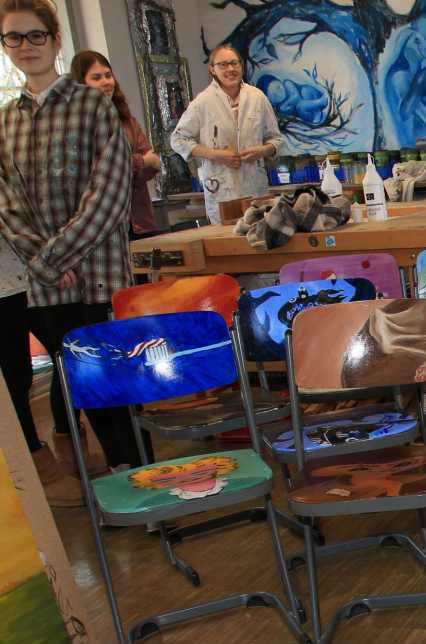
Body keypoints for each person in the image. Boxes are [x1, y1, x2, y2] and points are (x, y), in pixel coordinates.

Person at [0, 0, 144, 503]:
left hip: (97, 275)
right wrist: (45, 264)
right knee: (79, 388)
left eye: (35, 35)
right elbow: (7, 205)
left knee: (117, 388)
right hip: (46, 288)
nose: (26, 47)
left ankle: (148, 488)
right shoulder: (6, 122)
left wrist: (53, 258)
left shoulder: (93, 106)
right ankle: (118, 491)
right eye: (14, 38)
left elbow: (108, 194)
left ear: (56, 40)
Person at [170, 43, 283, 225]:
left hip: (255, 187)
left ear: (241, 66)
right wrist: (215, 155)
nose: (230, 69)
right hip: (221, 190)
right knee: (226, 236)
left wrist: (262, 150)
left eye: (234, 63)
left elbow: (276, 139)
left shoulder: (257, 98)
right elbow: (178, 139)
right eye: (223, 65)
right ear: (212, 69)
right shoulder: (203, 102)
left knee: (260, 233)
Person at [70, 50, 161, 239]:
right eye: (96, 78)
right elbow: (100, 171)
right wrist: (141, 162)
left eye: (108, 75)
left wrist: (134, 166)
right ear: (81, 84)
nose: (106, 82)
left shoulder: (127, 120)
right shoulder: (76, 125)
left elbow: (153, 165)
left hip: (139, 220)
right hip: (103, 226)